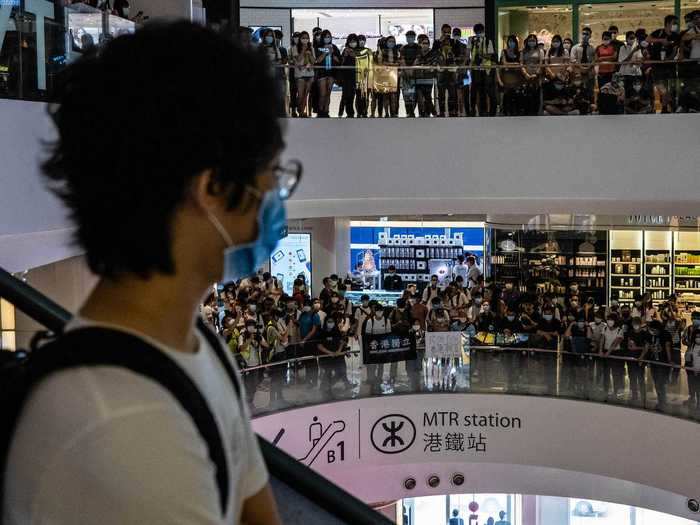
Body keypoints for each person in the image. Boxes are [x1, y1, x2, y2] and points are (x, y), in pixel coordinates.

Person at [4, 21, 286, 524]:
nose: (275, 196)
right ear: (211, 188)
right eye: (272, 174)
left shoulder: (198, 346)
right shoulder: (122, 424)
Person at [648, 14, 681, 112]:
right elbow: (648, 39)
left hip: (670, 66)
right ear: (667, 23)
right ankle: (665, 107)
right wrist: (661, 40)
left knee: (670, 88)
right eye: (674, 23)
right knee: (661, 88)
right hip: (657, 66)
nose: (675, 25)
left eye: (676, 23)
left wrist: (669, 58)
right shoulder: (658, 32)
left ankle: (668, 107)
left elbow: (675, 49)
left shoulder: (676, 35)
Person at [469, 23, 497, 116]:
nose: (479, 34)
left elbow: (491, 54)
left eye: (481, 32)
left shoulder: (488, 40)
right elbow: (467, 52)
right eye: (477, 32)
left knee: (486, 90)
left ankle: (488, 111)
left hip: (486, 69)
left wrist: (481, 54)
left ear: (483, 31)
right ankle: (473, 110)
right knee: (475, 90)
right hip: (475, 68)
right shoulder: (471, 40)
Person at [317, 315, 350, 393]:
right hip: (327, 357)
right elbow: (319, 346)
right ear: (325, 323)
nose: (330, 323)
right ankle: (324, 387)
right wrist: (330, 353)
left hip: (337, 356)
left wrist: (339, 350)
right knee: (327, 373)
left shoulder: (336, 331)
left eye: (332, 322)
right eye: (329, 322)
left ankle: (328, 385)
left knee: (341, 372)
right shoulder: (322, 332)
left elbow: (341, 342)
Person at [314, 30, 340, 118]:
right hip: (321, 73)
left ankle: (326, 110)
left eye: (329, 36)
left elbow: (339, 60)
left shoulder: (334, 47)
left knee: (328, 93)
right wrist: (325, 53)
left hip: (331, 73)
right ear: (322, 38)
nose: (327, 38)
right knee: (322, 93)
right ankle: (320, 111)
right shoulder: (318, 47)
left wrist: (332, 53)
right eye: (325, 37)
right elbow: (317, 60)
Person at [570, 27, 596, 114]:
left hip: (589, 74)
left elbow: (594, 60)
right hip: (578, 74)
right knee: (578, 92)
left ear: (590, 36)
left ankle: (590, 110)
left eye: (587, 34)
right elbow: (573, 60)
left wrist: (587, 68)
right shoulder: (575, 47)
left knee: (590, 92)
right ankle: (578, 110)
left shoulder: (592, 48)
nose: (584, 36)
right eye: (583, 33)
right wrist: (581, 68)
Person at [434, 24, 458, 117]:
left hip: (452, 70)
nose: (447, 34)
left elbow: (457, 53)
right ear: (441, 31)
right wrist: (440, 41)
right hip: (441, 70)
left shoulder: (454, 42)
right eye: (445, 32)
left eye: (449, 32)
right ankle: (442, 112)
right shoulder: (437, 42)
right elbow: (433, 52)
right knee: (441, 94)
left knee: (452, 93)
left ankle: (452, 111)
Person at [497, 35, 523, 116]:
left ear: (516, 43)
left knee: (516, 96)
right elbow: (505, 64)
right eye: (510, 41)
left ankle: (516, 112)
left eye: (513, 41)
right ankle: (505, 112)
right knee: (507, 95)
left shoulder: (519, 52)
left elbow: (521, 64)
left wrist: (511, 65)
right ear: (507, 42)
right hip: (506, 78)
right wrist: (515, 63)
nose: (511, 43)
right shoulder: (504, 51)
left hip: (517, 78)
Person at [376, 35, 401, 117]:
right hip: (385, 75)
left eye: (393, 41)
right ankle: (386, 113)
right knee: (385, 95)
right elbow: (381, 63)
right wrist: (392, 65)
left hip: (394, 75)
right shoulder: (382, 51)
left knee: (394, 95)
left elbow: (399, 63)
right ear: (386, 42)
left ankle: (393, 112)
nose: (391, 43)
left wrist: (390, 65)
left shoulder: (397, 51)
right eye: (390, 41)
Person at [415, 34, 439, 117]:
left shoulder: (433, 52)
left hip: (428, 77)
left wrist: (425, 66)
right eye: (423, 43)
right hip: (419, 77)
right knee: (420, 96)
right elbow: (416, 64)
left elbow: (433, 65)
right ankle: (423, 112)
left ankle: (430, 112)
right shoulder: (418, 53)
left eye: (426, 43)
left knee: (427, 95)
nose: (424, 45)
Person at [292, 31, 316, 117]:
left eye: (307, 38)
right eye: (303, 38)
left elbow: (314, 61)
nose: (305, 39)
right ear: (300, 39)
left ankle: (302, 111)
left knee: (306, 94)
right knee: (300, 94)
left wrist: (309, 55)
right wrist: (303, 50)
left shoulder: (311, 48)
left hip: (310, 74)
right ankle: (300, 110)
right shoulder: (295, 48)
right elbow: (297, 59)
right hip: (299, 74)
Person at [520, 34, 544, 115]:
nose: (532, 42)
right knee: (526, 95)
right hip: (525, 76)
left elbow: (541, 64)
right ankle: (526, 112)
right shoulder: (523, 51)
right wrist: (525, 73)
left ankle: (536, 112)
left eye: (533, 41)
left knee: (536, 95)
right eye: (530, 40)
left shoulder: (539, 51)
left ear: (536, 42)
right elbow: (521, 64)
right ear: (527, 41)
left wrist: (536, 74)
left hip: (536, 77)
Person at [400, 30, 420, 117]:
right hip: (405, 75)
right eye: (408, 37)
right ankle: (408, 112)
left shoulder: (418, 47)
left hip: (415, 74)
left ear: (414, 38)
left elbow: (417, 59)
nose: (410, 38)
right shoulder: (403, 48)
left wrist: (412, 70)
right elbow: (402, 60)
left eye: (412, 37)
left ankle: (412, 111)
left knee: (414, 94)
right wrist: (407, 70)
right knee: (406, 94)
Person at [339, 34, 359, 118]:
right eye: (351, 41)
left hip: (356, 76)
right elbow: (341, 62)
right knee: (346, 95)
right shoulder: (345, 50)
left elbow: (360, 61)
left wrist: (354, 55)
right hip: (346, 76)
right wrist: (345, 55)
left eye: (354, 41)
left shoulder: (359, 51)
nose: (352, 43)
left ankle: (355, 112)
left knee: (353, 95)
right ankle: (347, 112)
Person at [684, 327, 700, 408]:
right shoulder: (692, 346)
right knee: (692, 387)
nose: (698, 338)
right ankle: (693, 400)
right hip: (692, 372)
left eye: (699, 337)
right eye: (697, 337)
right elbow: (688, 359)